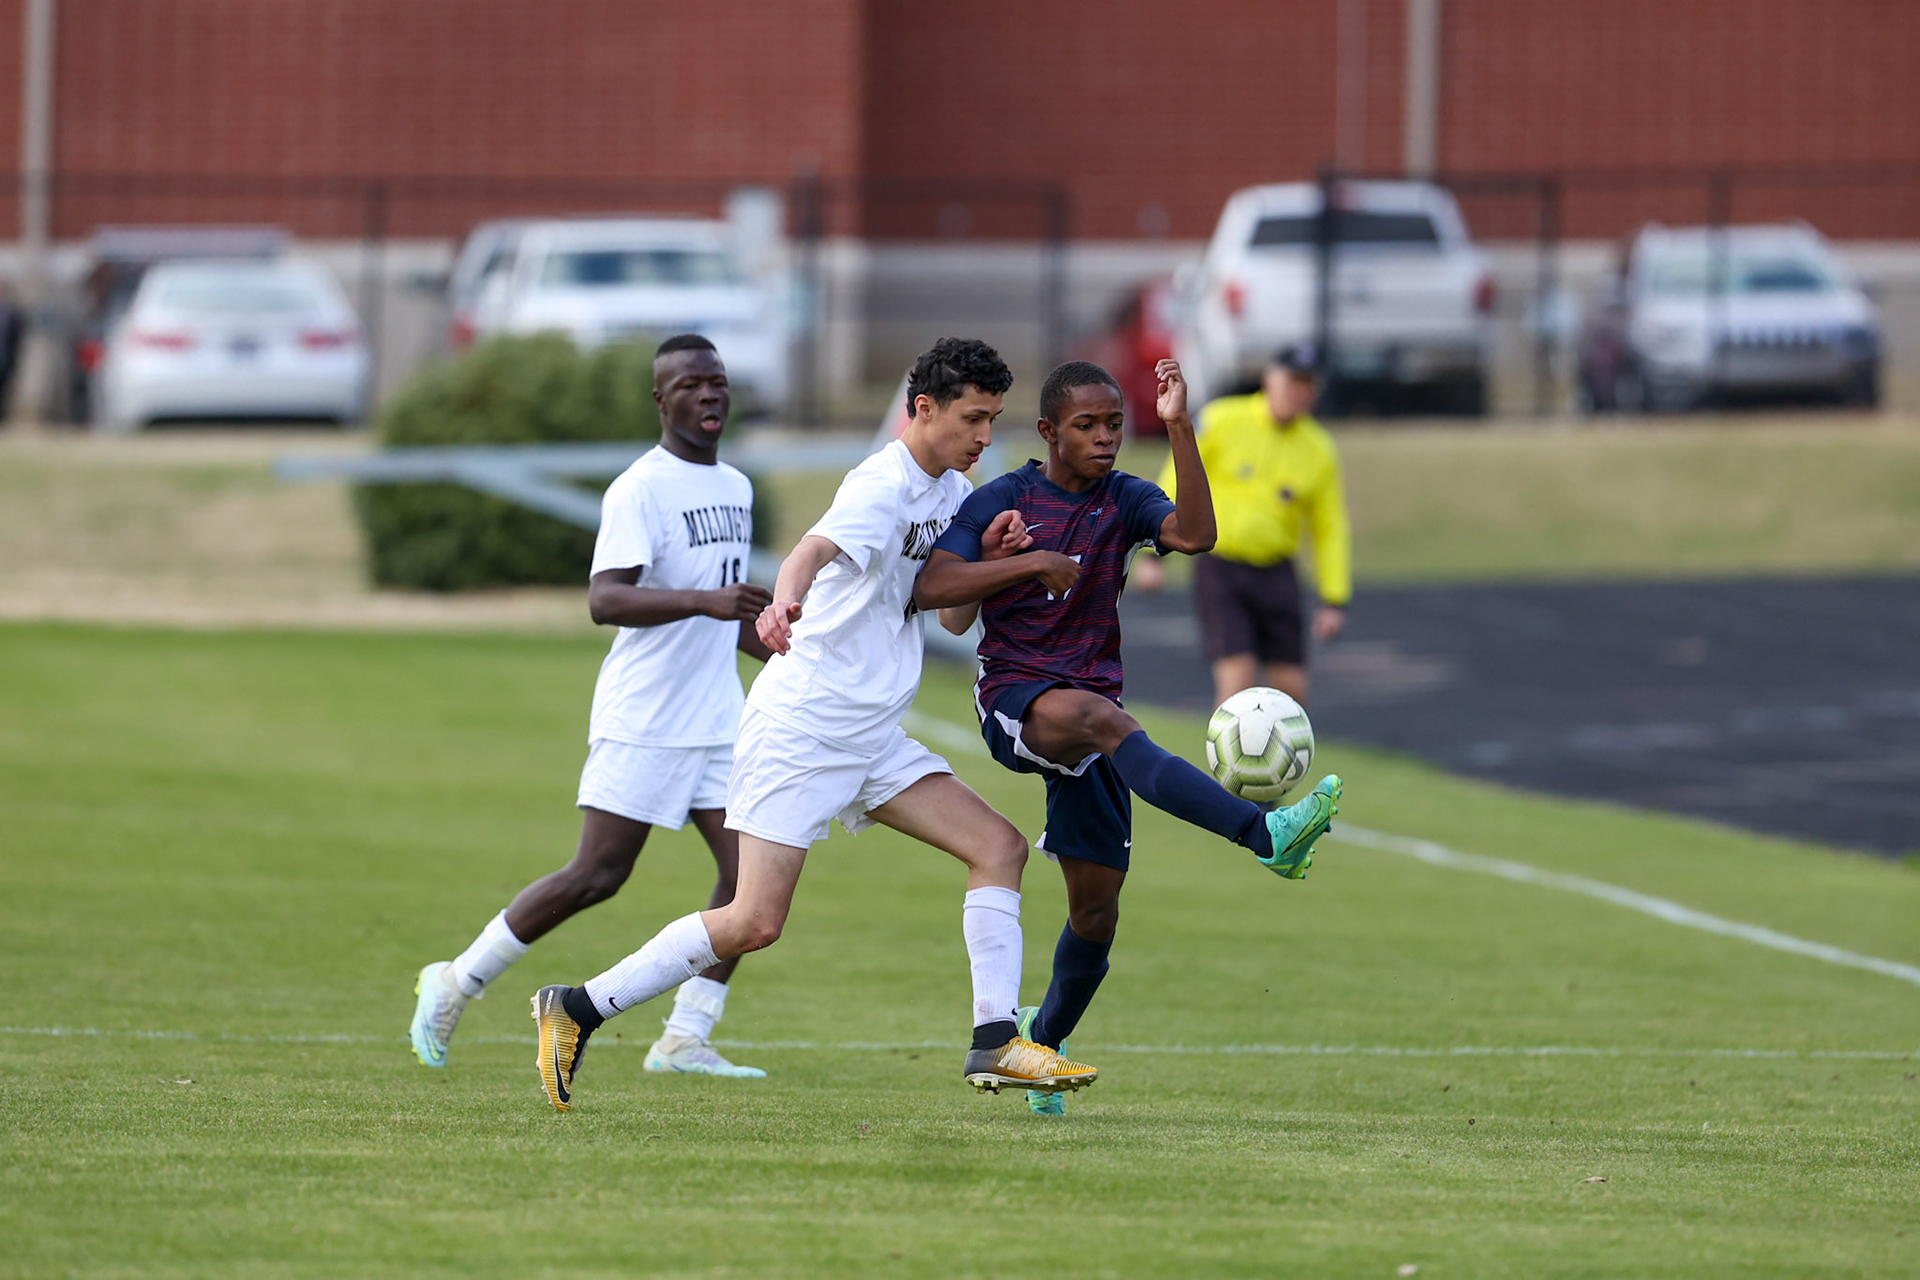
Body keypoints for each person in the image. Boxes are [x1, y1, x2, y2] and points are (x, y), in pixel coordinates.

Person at [527, 337, 1099, 1112]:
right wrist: (782, 602)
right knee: (754, 921)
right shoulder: (880, 485)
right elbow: (810, 549)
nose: (985, 437)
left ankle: (995, 1043)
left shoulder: (951, 491)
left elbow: (953, 615)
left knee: (998, 848)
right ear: (922, 409)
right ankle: (577, 1008)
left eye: (994, 419)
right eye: (973, 418)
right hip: (804, 728)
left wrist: (997, 558)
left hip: (870, 735)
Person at [913, 356, 1344, 1116]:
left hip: (1091, 716)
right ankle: (1265, 837)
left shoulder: (1126, 498)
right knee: (1105, 721)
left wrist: (1179, 425)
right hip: (1016, 700)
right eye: (1087, 426)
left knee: (1096, 917)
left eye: (1115, 424)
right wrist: (1014, 562)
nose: (1105, 439)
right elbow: (934, 587)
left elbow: (1199, 534)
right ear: (1049, 431)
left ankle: (1040, 1044)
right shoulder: (1003, 498)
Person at [409, 334, 775, 1078]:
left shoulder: (735, 487)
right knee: (598, 876)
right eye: (691, 385)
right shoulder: (639, 488)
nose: (709, 396)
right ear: (661, 400)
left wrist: (793, 653)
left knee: (752, 881)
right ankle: (454, 982)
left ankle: (684, 1037)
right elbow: (606, 599)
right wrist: (706, 602)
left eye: (719, 383)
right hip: (644, 716)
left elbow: (732, 614)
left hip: (718, 718)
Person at [1136, 343, 1351, 707]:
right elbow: (1178, 479)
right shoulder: (1223, 419)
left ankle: (1281, 764)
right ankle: (1227, 764)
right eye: (1292, 380)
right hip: (1224, 570)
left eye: (1308, 384)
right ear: (1269, 378)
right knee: (1236, 682)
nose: (1299, 392)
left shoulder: (1318, 448)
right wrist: (1155, 552)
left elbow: (1329, 525)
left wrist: (1334, 598)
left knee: (1292, 691)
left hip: (1277, 572)